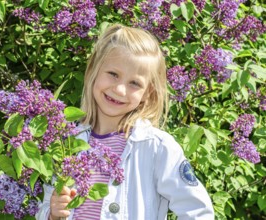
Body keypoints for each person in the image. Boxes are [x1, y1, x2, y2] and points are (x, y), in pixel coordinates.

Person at [36, 24, 214, 220]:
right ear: (94, 70)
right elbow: (45, 206)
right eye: (113, 74)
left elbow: (197, 212)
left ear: (148, 93)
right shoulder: (67, 143)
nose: (120, 90)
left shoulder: (156, 147)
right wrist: (53, 213)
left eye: (134, 83)